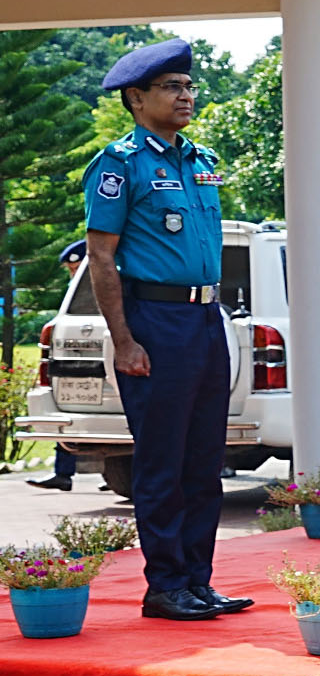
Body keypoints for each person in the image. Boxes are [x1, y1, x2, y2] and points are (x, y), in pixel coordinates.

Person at [79, 39, 250, 620]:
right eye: (172, 86)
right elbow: (102, 257)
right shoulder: (119, 164)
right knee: (162, 463)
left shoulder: (200, 160)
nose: (186, 96)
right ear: (136, 98)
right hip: (156, 319)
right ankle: (166, 585)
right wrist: (124, 340)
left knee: (205, 462)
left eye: (189, 86)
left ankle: (198, 581)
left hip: (205, 318)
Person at [26, 241, 90, 491]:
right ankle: (62, 473)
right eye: (71, 270)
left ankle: (118, 474)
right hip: (75, 361)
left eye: (77, 268)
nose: (73, 274)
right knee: (66, 414)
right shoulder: (75, 290)